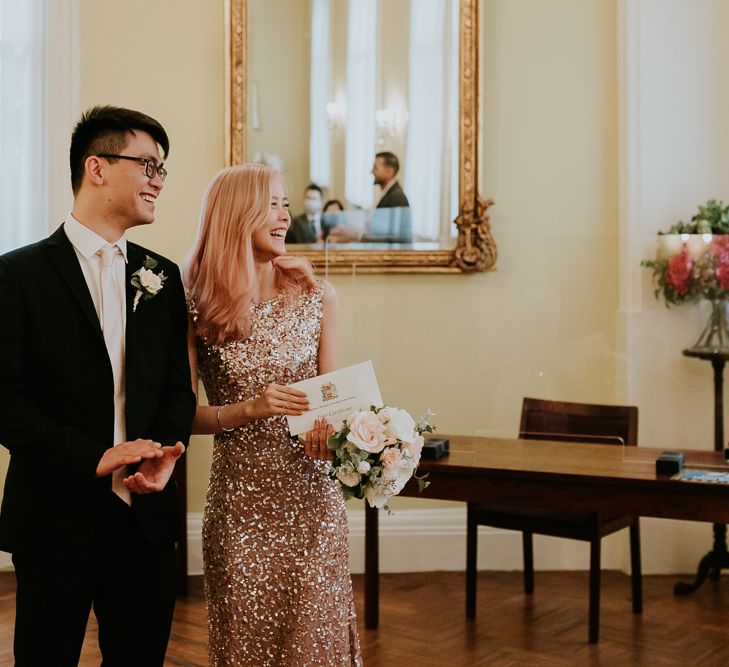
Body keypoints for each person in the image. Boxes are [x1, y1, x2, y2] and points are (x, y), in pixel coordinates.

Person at [0, 105, 195, 666]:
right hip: (56, 512)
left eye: (163, 168)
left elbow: (177, 390)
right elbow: (5, 401)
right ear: (97, 168)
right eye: (148, 164)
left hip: (146, 516)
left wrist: (159, 454)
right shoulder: (19, 276)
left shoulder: (161, 276)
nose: (159, 179)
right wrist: (96, 457)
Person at [183, 163, 362, 666]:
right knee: (244, 647)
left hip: (312, 504)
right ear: (238, 214)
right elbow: (181, 415)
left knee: (315, 647)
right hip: (239, 508)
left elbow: (335, 399)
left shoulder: (317, 296)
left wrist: (337, 434)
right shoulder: (196, 305)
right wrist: (248, 409)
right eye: (273, 205)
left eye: (286, 204)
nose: (285, 216)